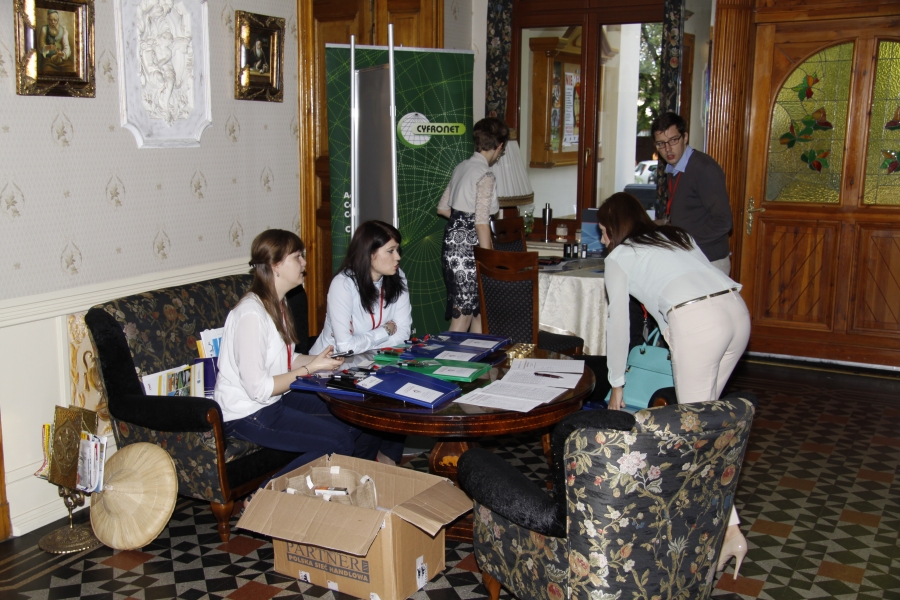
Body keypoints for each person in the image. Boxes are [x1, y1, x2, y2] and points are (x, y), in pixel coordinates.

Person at [598, 192, 751, 577]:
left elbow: (618, 325)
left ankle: (727, 532)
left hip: (699, 323)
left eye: (602, 231)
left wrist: (617, 383)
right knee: (708, 429)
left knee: (698, 436)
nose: (601, 240)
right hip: (736, 311)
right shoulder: (676, 236)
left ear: (615, 227)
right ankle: (711, 521)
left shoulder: (618, 257)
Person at [215, 229, 391, 483]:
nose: (304, 263)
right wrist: (310, 369)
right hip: (247, 414)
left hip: (276, 399)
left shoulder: (278, 303)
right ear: (276, 265)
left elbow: (284, 359)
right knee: (340, 441)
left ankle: (348, 485)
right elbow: (258, 389)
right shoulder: (251, 315)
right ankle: (266, 495)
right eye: (297, 256)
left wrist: (321, 361)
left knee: (357, 417)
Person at [437, 117, 509, 332]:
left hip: (453, 243)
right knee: (464, 316)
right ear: (499, 146)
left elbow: (442, 208)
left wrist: (461, 225)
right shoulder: (485, 174)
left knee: (478, 312)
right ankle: (448, 356)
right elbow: (481, 223)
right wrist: (490, 262)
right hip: (471, 249)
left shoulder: (461, 167)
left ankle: (478, 355)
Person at [310, 220, 412, 357]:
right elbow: (346, 348)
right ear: (369, 253)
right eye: (390, 251)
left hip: (372, 359)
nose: (398, 257)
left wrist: (359, 343)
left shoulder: (398, 276)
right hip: (328, 364)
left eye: (397, 250)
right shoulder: (343, 284)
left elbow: (403, 334)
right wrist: (385, 331)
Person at [651, 112, 733, 275]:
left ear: (685, 137)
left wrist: (684, 241)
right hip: (689, 258)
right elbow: (689, 214)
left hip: (709, 261)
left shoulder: (704, 169)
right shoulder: (673, 168)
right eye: (661, 144)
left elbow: (723, 222)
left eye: (673, 140)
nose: (668, 149)